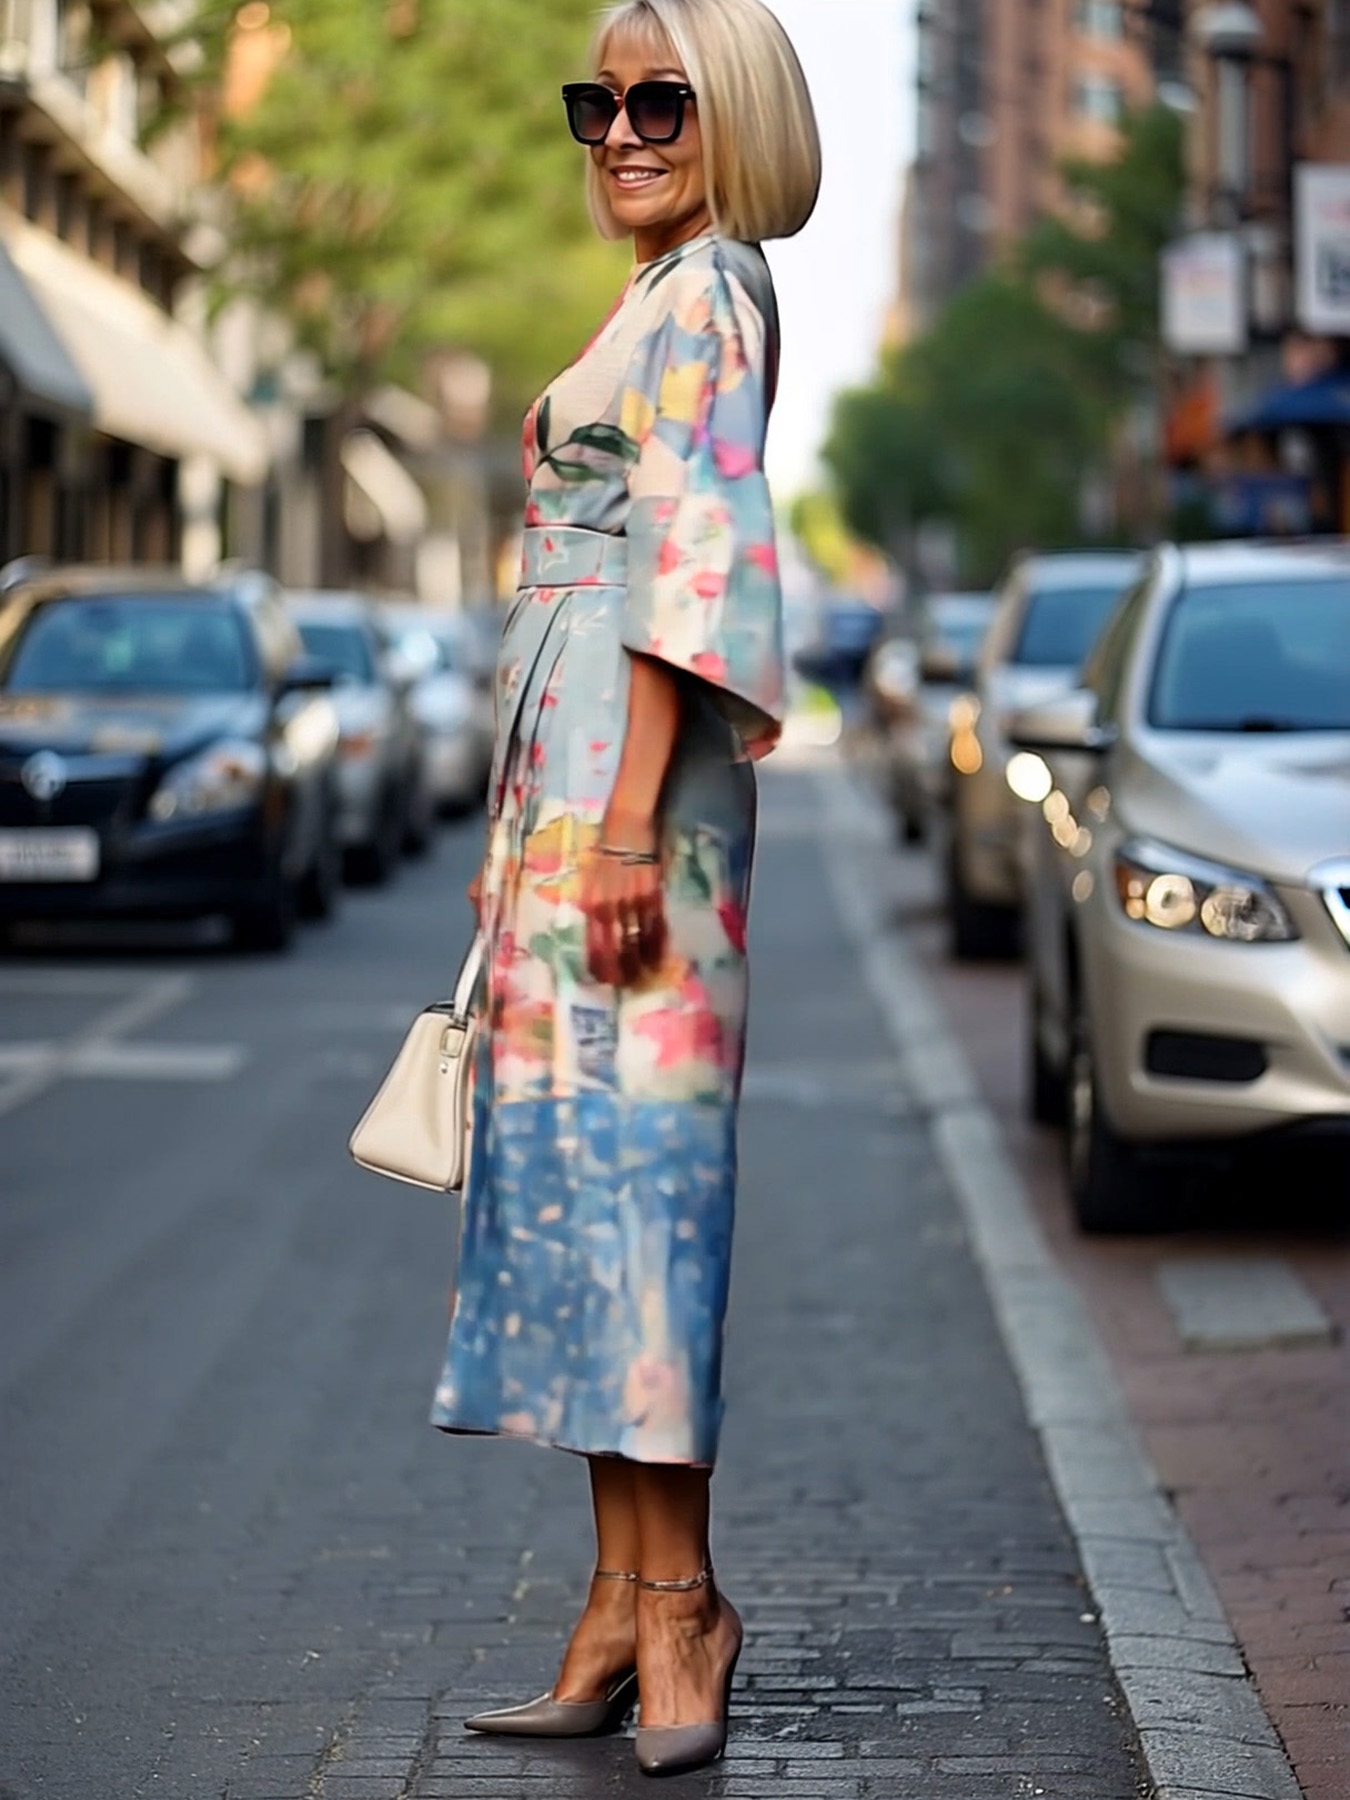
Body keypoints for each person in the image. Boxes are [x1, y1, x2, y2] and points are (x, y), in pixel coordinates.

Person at [430, 0, 819, 1776]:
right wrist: (531, 834)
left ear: (732, 114)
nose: (623, 132)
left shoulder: (715, 287)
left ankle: (682, 1613)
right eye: (599, 103)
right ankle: (613, 1597)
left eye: (663, 101)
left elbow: (690, 557)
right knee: (586, 1191)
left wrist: (617, 827)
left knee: (649, 1194)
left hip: (632, 800)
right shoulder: (655, 291)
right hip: (574, 790)